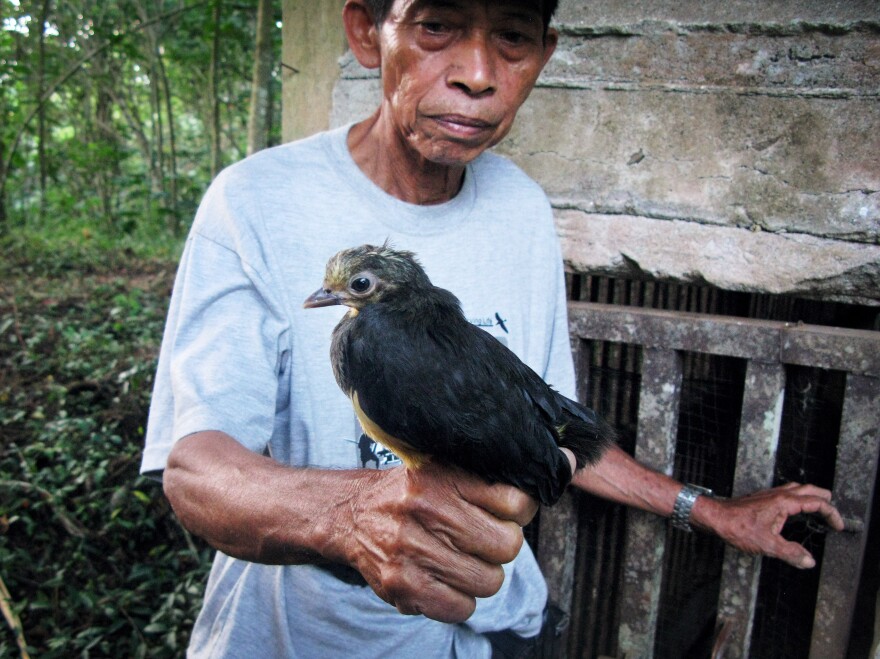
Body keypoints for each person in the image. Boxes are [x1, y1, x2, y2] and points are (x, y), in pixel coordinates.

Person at [141, 0, 844, 656]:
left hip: (495, 631)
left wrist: (708, 510)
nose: (478, 75)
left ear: (545, 52)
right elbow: (197, 471)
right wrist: (350, 513)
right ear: (365, 34)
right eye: (437, 26)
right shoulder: (256, 200)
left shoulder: (522, 208)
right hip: (309, 637)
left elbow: (550, 429)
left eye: (512, 37)